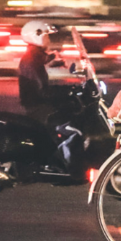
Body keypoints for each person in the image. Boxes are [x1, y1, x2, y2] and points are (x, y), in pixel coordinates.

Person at [18, 20, 85, 179]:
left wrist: (54, 59)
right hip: (37, 105)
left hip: (38, 101)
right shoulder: (31, 59)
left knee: (71, 110)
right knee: (73, 128)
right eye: (46, 37)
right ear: (37, 37)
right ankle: (67, 165)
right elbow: (44, 91)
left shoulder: (34, 56)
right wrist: (71, 90)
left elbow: (43, 60)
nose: (48, 40)